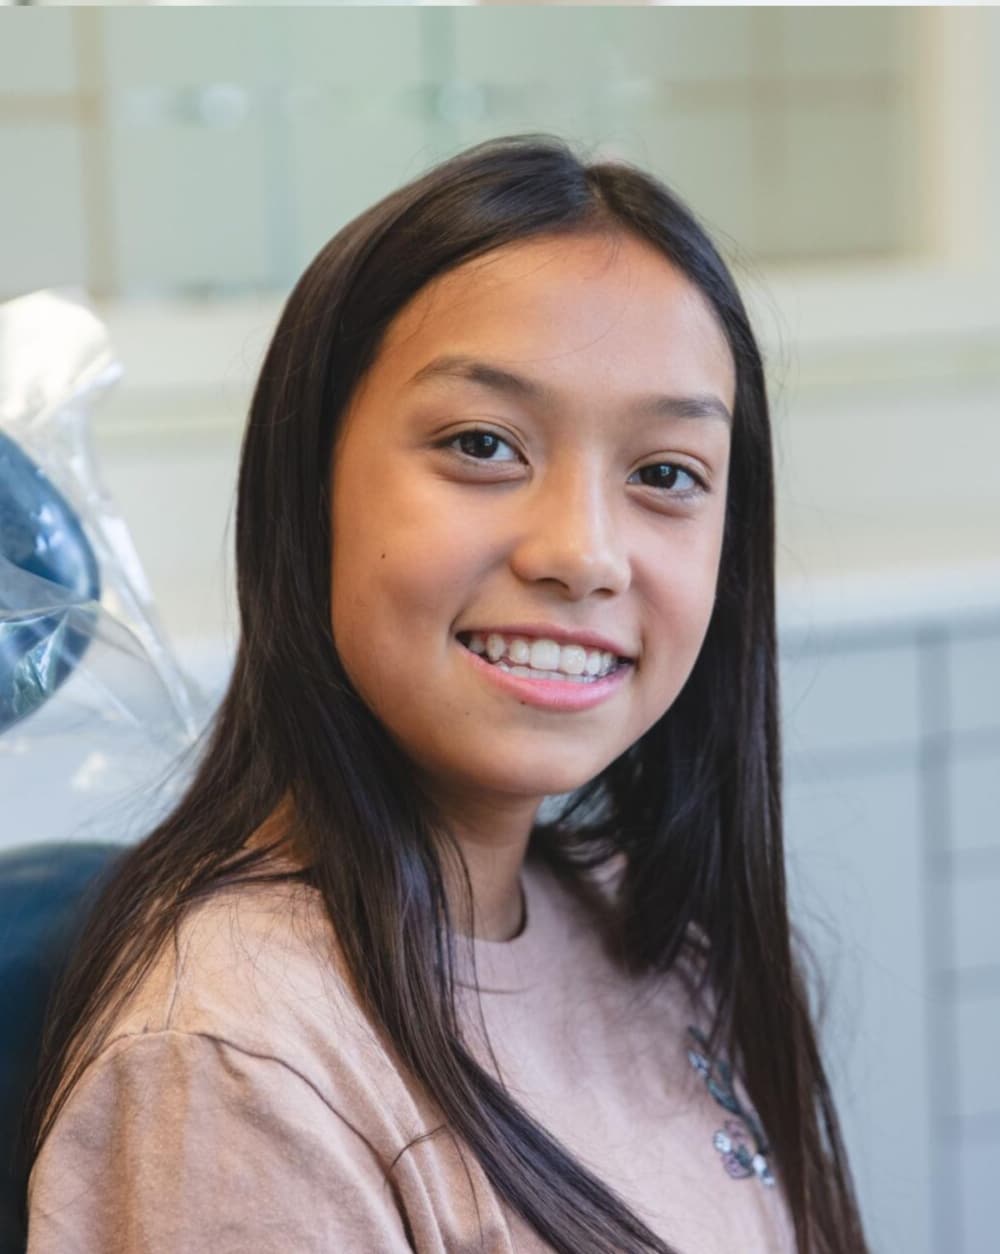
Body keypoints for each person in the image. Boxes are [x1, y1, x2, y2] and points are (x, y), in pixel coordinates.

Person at [21, 134, 869, 1254]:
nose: (585, 553)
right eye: (482, 444)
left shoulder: (649, 938)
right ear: (308, 491)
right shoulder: (237, 1071)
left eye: (665, 474)